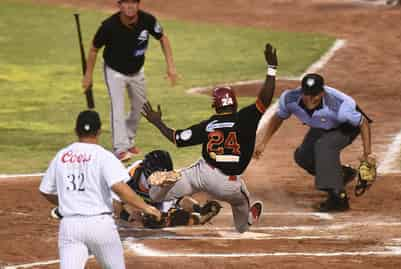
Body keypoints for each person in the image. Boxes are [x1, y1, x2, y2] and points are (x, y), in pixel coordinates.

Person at [141, 44, 278, 233]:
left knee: (156, 195)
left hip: (201, 173)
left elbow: (177, 138)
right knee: (241, 209)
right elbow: (265, 98)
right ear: (235, 103)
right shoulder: (246, 117)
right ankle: (246, 222)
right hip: (227, 184)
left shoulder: (209, 125)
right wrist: (271, 69)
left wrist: (157, 122)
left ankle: (162, 186)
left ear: (215, 106)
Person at [39, 110, 161, 269]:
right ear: (99, 131)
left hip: (70, 226)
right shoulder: (104, 156)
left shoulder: (62, 156)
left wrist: (66, 203)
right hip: (100, 226)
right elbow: (119, 188)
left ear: (76, 130)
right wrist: (146, 207)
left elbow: (46, 190)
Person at [254, 73, 373, 212]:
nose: (310, 99)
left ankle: (338, 199)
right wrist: (263, 142)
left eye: (314, 95)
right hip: (324, 124)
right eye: (307, 94)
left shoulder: (339, 107)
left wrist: (367, 155)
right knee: (303, 157)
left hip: (347, 126)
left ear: (322, 92)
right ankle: (342, 174)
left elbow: (363, 122)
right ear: (301, 92)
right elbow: (278, 117)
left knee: (324, 146)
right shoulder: (290, 99)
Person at [82, 0, 178, 162]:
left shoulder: (148, 20)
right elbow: (93, 49)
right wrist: (88, 75)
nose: (130, 6)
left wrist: (171, 66)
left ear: (138, 4)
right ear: (119, 5)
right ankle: (120, 148)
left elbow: (163, 38)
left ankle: (129, 139)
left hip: (136, 70)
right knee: (117, 108)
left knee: (140, 107)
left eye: (133, 2)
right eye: (126, 3)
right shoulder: (109, 26)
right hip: (114, 71)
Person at [112, 150, 223, 228]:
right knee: (139, 216)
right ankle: (191, 219)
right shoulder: (128, 176)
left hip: (154, 202)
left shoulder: (168, 178)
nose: (162, 177)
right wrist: (130, 216)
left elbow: (179, 199)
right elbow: (116, 202)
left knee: (166, 217)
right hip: (131, 202)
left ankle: (198, 214)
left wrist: (198, 208)